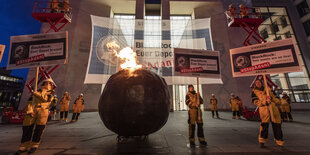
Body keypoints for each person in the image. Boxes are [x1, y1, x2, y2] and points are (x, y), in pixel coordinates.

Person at [15, 79, 55, 154]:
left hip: (43, 112)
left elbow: (45, 99)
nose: (48, 84)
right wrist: (29, 111)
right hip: (32, 111)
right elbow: (29, 102)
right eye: (46, 82)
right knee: (27, 128)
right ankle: (23, 146)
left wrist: (36, 94)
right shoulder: (37, 91)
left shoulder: (51, 93)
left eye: (50, 83)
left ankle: (34, 145)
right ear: (43, 83)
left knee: (39, 129)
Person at [252, 79, 284, 148]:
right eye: (256, 83)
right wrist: (264, 102)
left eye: (259, 82)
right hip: (264, 110)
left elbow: (276, 98)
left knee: (277, 126)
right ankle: (262, 141)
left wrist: (275, 100)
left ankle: (279, 141)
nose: (258, 83)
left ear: (261, 83)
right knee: (264, 126)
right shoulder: (254, 92)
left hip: (273, 109)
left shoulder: (268, 89)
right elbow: (255, 101)